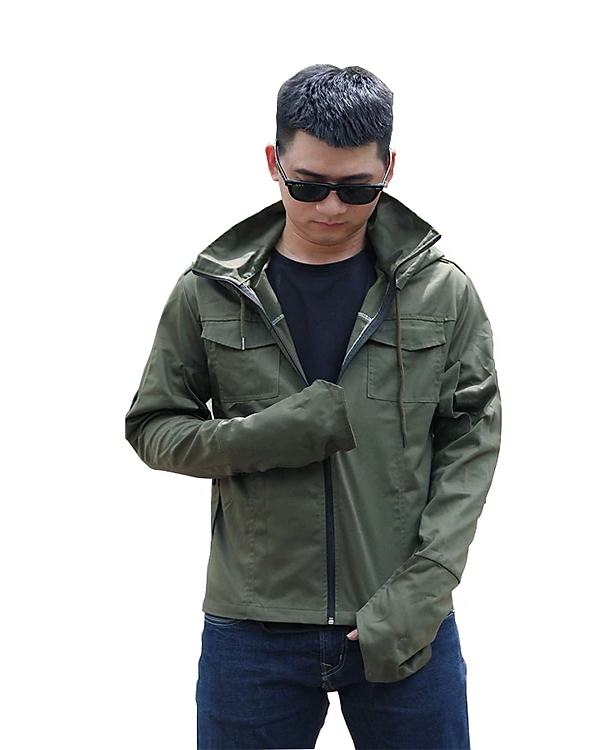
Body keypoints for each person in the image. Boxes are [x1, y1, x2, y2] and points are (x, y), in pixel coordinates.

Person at [125, 63, 501, 750]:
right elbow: (153, 426)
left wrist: (427, 585)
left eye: (357, 189)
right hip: (253, 630)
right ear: (274, 162)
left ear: (389, 169)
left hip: (403, 619)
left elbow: (470, 445)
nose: (330, 207)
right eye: (307, 184)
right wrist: (266, 436)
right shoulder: (209, 291)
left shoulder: (441, 293)